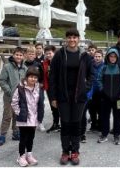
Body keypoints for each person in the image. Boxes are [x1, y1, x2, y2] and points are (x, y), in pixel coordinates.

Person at [49, 29, 93, 165]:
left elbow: (92, 75)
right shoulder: (59, 55)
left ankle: (75, 151)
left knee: (76, 123)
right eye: (69, 37)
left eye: (74, 37)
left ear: (78, 39)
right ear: (66, 39)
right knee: (65, 123)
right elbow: (52, 77)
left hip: (78, 97)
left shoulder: (84, 55)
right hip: (63, 96)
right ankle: (64, 151)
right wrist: (53, 97)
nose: (72, 40)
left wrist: (85, 89)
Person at [11, 66, 45, 167]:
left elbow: (41, 103)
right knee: (23, 138)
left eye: (35, 77)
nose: (33, 79)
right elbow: (14, 102)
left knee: (31, 137)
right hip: (24, 118)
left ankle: (29, 154)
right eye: (31, 77)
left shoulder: (39, 89)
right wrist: (19, 113)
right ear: (26, 77)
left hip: (34, 118)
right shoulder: (20, 88)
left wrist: (40, 115)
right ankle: (21, 156)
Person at [96, 47, 120, 145]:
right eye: (111, 56)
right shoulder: (104, 68)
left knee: (118, 115)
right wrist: (102, 90)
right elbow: (99, 80)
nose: (113, 58)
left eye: (115, 56)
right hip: (105, 97)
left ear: (117, 58)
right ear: (108, 57)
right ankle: (104, 134)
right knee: (105, 116)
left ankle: (116, 134)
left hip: (118, 98)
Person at [0, 47, 30, 146]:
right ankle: (2, 135)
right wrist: (9, 91)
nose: (18, 56)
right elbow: (2, 81)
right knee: (7, 116)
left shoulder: (25, 68)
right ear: (13, 55)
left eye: (20, 55)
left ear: (23, 56)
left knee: (17, 115)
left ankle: (16, 132)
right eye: (17, 54)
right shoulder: (7, 67)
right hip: (9, 96)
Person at [87, 50, 107, 136]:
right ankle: (93, 125)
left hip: (100, 91)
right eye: (96, 56)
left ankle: (100, 125)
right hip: (91, 91)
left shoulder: (105, 66)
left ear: (102, 57)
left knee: (101, 110)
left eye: (99, 56)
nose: (97, 58)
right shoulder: (90, 65)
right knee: (92, 109)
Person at [42, 45, 61, 133]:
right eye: (46, 54)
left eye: (50, 53)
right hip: (49, 88)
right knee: (53, 107)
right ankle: (56, 123)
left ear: (54, 53)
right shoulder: (45, 63)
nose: (48, 55)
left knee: (61, 107)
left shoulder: (59, 62)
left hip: (59, 87)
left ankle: (64, 125)